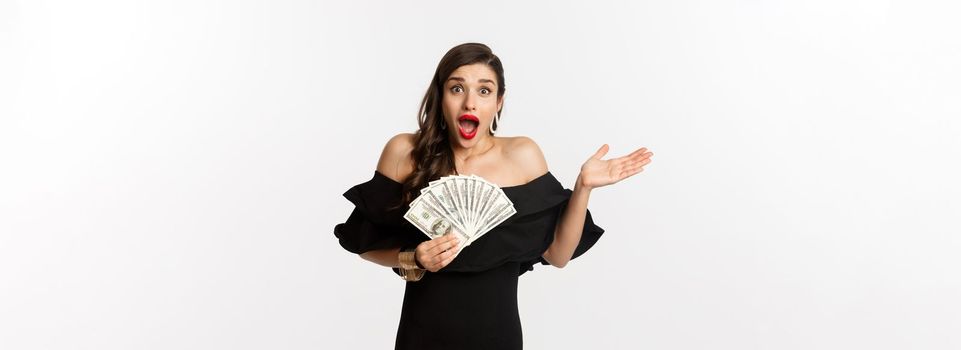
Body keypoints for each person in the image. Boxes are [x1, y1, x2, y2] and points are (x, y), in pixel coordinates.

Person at [333, 42, 653, 349]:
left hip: (497, 337)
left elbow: (558, 255)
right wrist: (414, 257)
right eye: (457, 88)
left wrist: (583, 187)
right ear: (440, 96)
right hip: (422, 336)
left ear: (498, 101)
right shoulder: (403, 153)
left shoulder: (522, 155)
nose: (470, 103)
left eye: (484, 90)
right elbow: (367, 246)